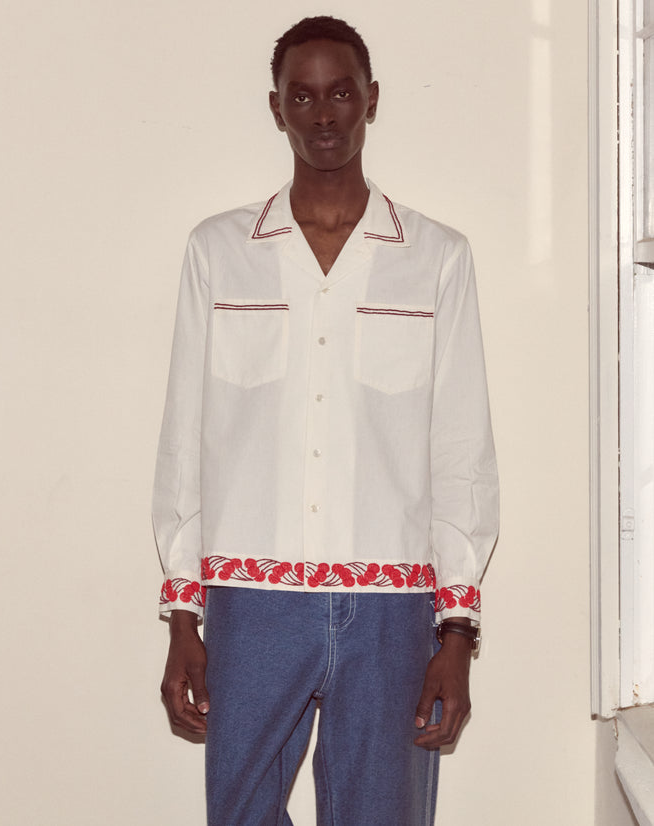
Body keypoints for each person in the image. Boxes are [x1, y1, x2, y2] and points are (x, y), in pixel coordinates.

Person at [153, 15, 498, 826]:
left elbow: (462, 449)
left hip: (392, 609)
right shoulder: (218, 250)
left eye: (340, 92)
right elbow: (183, 438)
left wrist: (455, 632)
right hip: (249, 599)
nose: (322, 114)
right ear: (275, 109)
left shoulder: (436, 257)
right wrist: (181, 614)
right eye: (300, 95)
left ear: (371, 100)